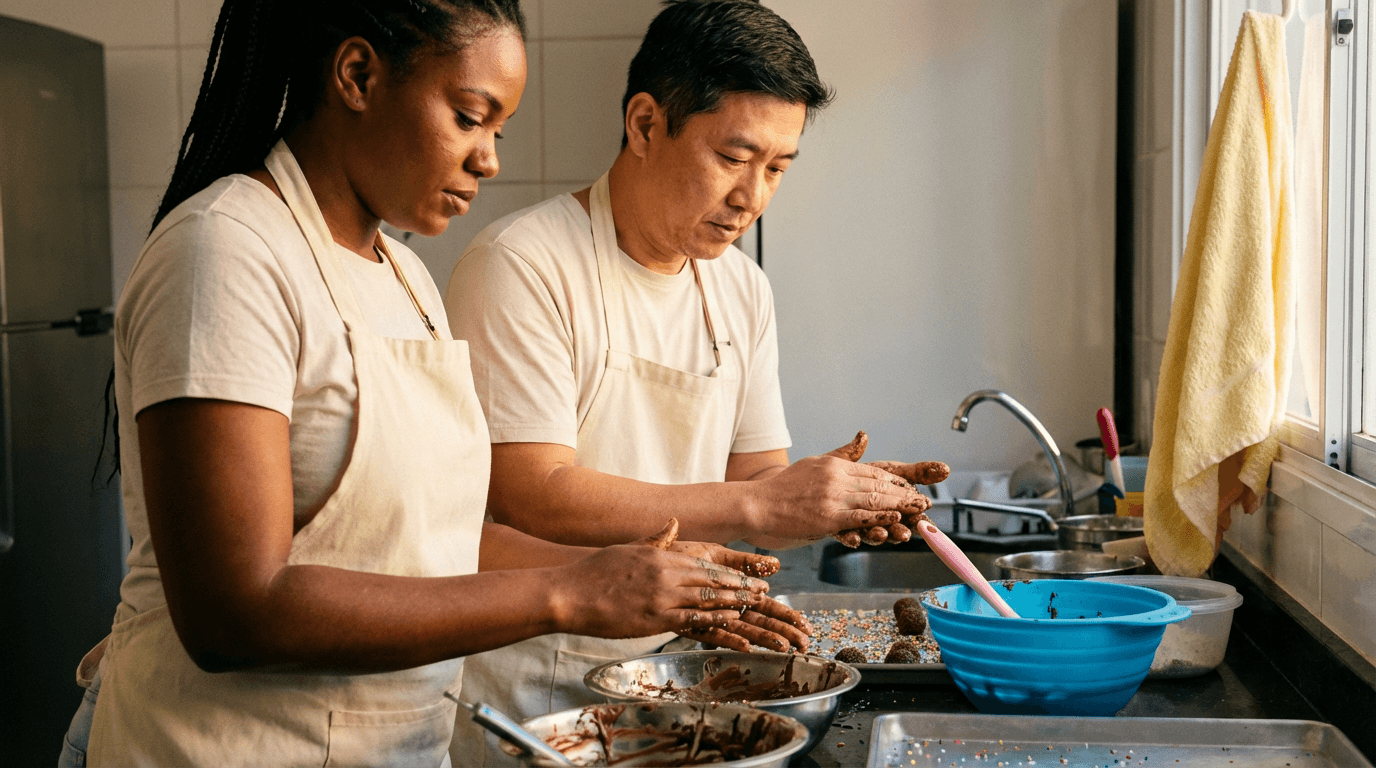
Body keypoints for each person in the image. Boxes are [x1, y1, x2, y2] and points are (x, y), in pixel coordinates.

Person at [64, 1, 806, 765]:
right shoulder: (224, 251)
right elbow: (234, 614)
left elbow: (434, 538)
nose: (488, 160)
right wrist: (571, 594)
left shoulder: (405, 276)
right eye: (469, 118)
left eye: (498, 132)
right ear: (358, 75)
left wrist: (646, 577)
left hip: (396, 746)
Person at [443, 1, 947, 763]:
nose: (753, 196)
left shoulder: (741, 287)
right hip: (537, 684)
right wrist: (760, 502)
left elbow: (756, 484)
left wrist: (827, 499)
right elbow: (530, 489)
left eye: (777, 168)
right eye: (734, 157)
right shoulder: (523, 263)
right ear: (646, 124)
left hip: (676, 668)